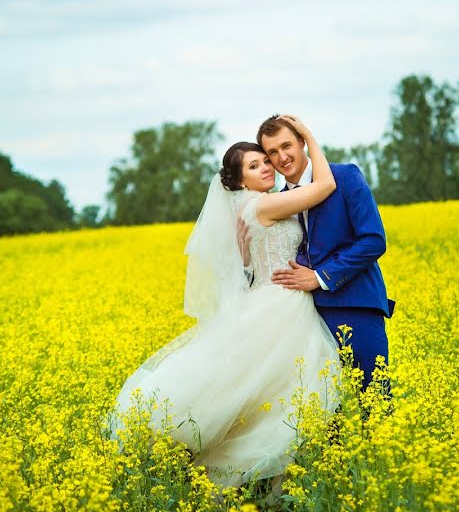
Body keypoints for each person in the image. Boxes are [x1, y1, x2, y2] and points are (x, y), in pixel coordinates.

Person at [106, 115, 342, 490]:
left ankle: (265, 490)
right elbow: (326, 184)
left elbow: (249, 260)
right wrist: (307, 137)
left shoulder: (255, 206)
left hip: (277, 301)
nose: (267, 166)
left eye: (266, 160)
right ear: (238, 180)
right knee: (275, 401)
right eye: (255, 165)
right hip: (279, 305)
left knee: (270, 401)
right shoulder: (262, 206)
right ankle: (243, 482)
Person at [250, 114, 395, 394]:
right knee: (324, 414)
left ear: (302, 141)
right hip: (303, 317)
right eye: (272, 152)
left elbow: (373, 240)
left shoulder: (345, 177)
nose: (282, 157)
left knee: (375, 399)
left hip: (355, 306)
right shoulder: (278, 201)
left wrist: (321, 276)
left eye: (287, 145)